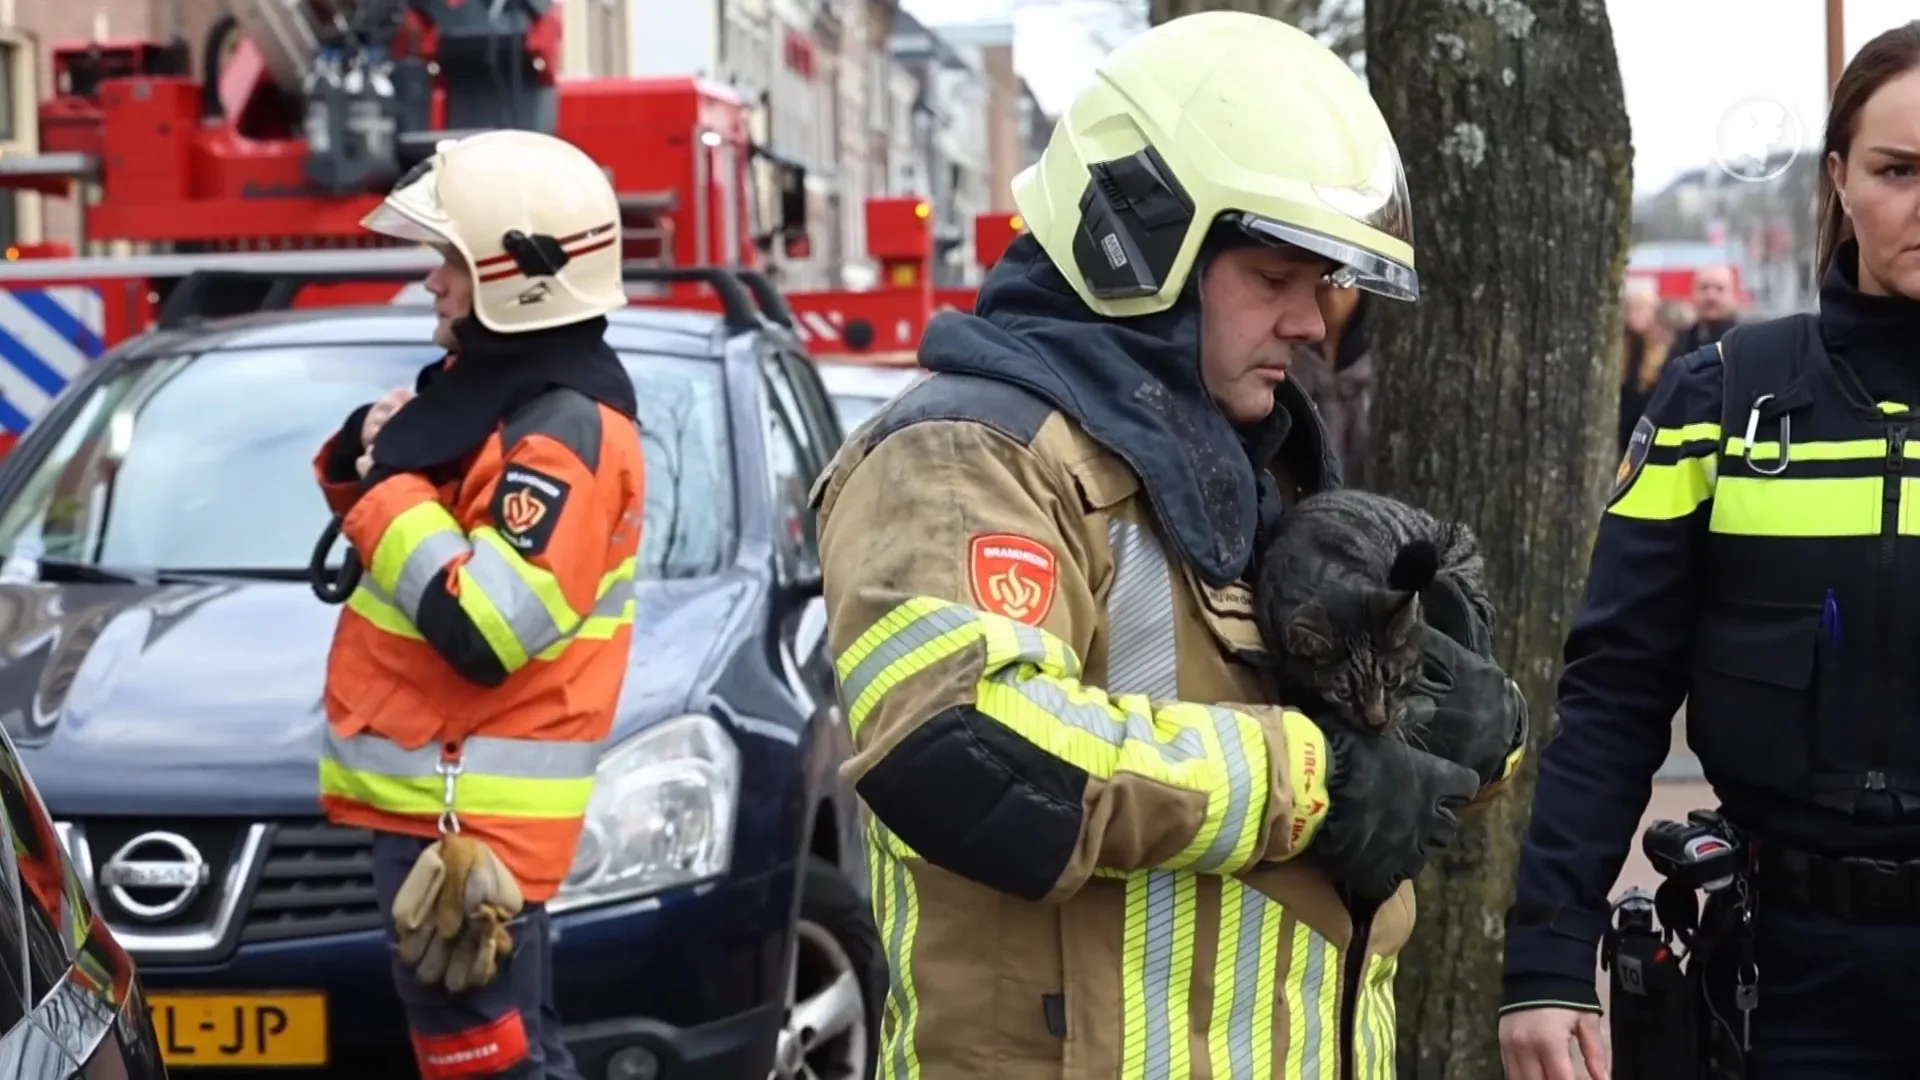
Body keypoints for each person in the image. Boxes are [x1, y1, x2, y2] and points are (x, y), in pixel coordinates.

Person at [811, 12, 1529, 1078]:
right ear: (1139, 238)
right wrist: (1315, 777)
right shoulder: (964, 461)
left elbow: (1359, 763)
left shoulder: (1254, 465)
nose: (1311, 323)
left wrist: (1469, 729)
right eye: (1276, 278)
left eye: (1321, 286)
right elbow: (968, 752)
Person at [1499, 21, 1920, 1080]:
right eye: (1898, 170)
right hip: (1783, 987)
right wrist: (1548, 958)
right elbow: (1615, 694)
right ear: (1839, 177)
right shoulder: (1720, 405)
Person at [310, 129, 646, 1080]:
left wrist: (387, 492)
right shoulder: (500, 395)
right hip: (441, 808)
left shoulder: (563, 430)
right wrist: (364, 455)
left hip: (468, 829)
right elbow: (431, 533)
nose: (432, 282)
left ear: (516, 275)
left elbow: (485, 626)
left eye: (450, 259)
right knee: (505, 1057)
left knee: (485, 1066)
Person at [1289, 284, 1376, 487]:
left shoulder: (1376, 367)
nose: (1332, 298)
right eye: (1321, 288)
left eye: (1342, 286)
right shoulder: (1286, 360)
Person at [1617, 286, 1672, 454]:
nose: (1637, 313)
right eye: (1632, 307)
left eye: (1643, 307)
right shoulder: (1621, 345)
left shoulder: (1667, 346)